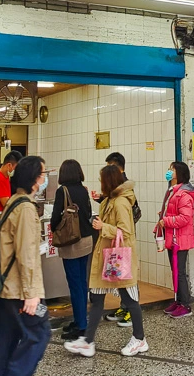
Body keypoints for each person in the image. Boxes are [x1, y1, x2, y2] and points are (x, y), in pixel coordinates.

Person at [63, 165, 147, 358]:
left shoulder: (120, 203)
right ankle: (88, 341)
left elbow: (125, 232)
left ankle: (139, 338)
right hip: (106, 258)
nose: (100, 183)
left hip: (119, 260)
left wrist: (103, 226)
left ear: (108, 182)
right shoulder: (109, 200)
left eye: (102, 180)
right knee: (97, 298)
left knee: (129, 300)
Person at [0, 156, 51, 376]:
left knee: (5, 342)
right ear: (34, 179)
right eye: (43, 175)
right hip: (21, 292)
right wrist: (32, 295)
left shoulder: (14, 201)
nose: (45, 179)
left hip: (6, 290)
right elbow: (27, 254)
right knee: (40, 334)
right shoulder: (25, 208)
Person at [50, 159, 95, 341]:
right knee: (82, 284)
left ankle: (81, 326)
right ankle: (79, 320)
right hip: (86, 240)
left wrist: (55, 229)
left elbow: (54, 218)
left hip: (71, 243)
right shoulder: (83, 190)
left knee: (75, 284)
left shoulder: (63, 191)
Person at [95, 152, 134, 328]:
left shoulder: (121, 198)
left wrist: (104, 227)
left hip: (122, 243)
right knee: (121, 282)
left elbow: (125, 228)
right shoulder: (112, 197)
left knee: (128, 283)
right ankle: (125, 310)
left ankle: (135, 326)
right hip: (114, 242)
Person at [157, 161, 194, 318]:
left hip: (180, 239)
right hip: (173, 237)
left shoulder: (184, 195)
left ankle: (185, 305)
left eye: (171, 169)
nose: (168, 171)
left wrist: (166, 220)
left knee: (179, 272)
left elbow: (185, 218)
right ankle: (178, 300)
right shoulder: (172, 191)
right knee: (175, 270)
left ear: (179, 173)